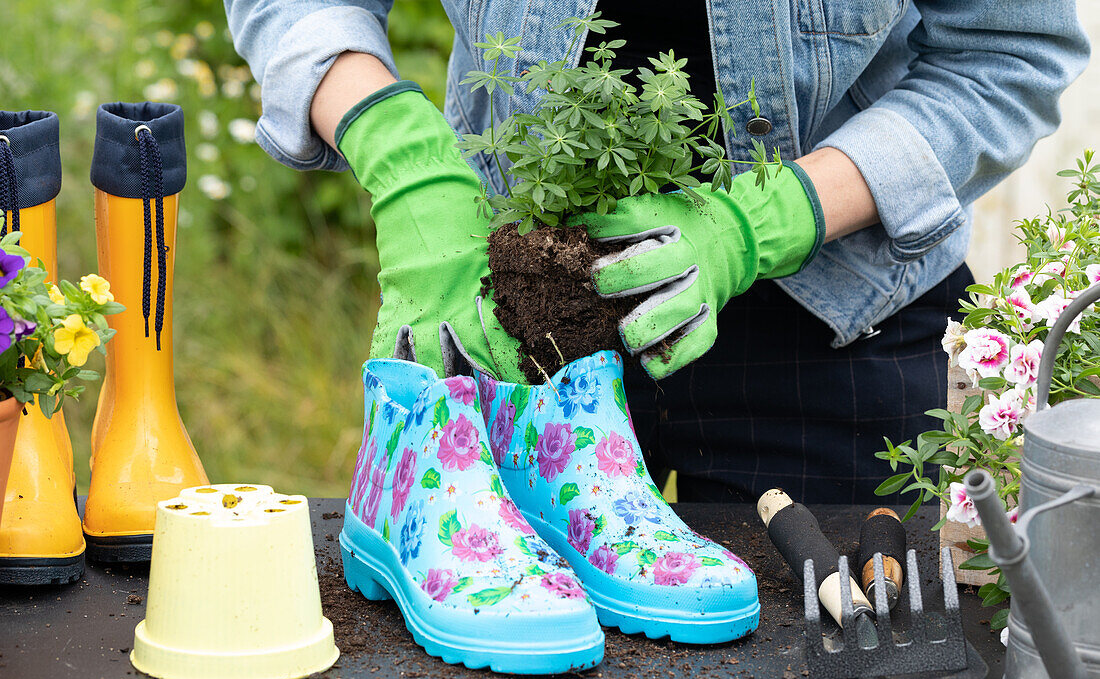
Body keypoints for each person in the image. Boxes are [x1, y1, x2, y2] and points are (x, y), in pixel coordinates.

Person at [224, 0, 1089, 503]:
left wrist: (765, 221)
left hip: (830, 315)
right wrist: (403, 158)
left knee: (822, 668)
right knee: (496, 653)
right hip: (518, 295)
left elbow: (1008, 54)